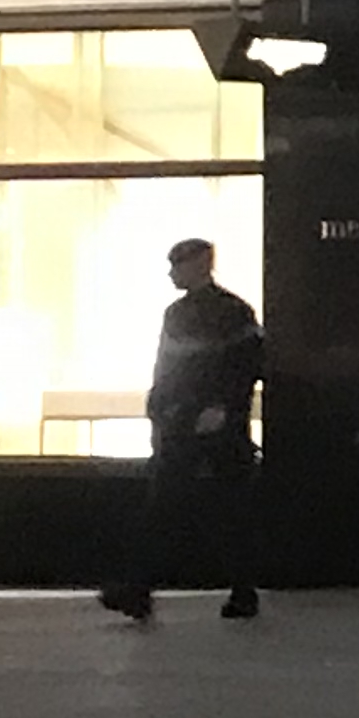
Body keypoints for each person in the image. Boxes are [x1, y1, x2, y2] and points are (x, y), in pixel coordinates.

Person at [102, 237, 264, 624]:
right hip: (189, 425)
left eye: (178, 265)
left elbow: (243, 369)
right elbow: (171, 369)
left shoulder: (229, 313)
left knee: (181, 510)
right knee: (202, 510)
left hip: (207, 429)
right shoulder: (208, 313)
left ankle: (143, 590)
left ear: (200, 266)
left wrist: (217, 410)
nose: (172, 273)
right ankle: (143, 589)